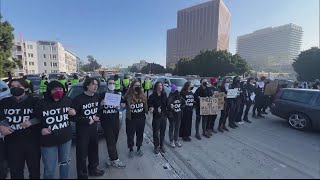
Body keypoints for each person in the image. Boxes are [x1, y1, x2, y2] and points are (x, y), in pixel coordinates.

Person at [0, 79, 41, 179]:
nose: (15, 88)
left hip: (32, 141)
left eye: (18, 86)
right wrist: (1, 127)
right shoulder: (4, 102)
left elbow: (42, 117)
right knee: (15, 172)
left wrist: (31, 122)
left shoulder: (35, 100)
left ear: (26, 88)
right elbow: (1, 118)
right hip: (12, 142)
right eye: (13, 87)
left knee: (34, 171)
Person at [35, 81, 75, 179]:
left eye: (61, 89)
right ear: (49, 91)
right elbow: (35, 120)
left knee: (65, 163)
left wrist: (73, 113)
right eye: (55, 89)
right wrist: (40, 130)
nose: (58, 91)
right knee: (49, 169)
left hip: (65, 138)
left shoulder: (68, 100)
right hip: (48, 141)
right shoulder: (41, 103)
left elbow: (71, 118)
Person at [71, 78, 105, 179]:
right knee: (82, 153)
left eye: (97, 85)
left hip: (94, 128)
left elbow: (99, 109)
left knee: (94, 150)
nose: (96, 86)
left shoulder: (97, 97)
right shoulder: (78, 99)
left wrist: (98, 116)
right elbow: (72, 117)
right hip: (82, 130)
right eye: (93, 84)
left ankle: (93, 169)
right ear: (87, 86)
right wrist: (86, 120)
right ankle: (82, 175)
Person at [99, 78, 126, 168]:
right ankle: (115, 159)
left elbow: (123, 106)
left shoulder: (117, 95)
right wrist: (101, 104)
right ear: (107, 84)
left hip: (115, 121)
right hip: (106, 121)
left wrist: (120, 107)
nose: (112, 85)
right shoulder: (101, 95)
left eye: (113, 83)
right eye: (110, 83)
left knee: (114, 140)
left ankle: (110, 158)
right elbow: (96, 108)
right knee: (110, 140)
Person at [123, 80, 148, 159]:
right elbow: (122, 104)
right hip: (131, 119)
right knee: (130, 135)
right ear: (132, 86)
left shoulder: (143, 95)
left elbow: (146, 104)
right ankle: (131, 149)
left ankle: (139, 148)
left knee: (140, 134)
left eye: (138, 85)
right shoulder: (127, 96)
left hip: (141, 118)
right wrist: (122, 104)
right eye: (135, 85)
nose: (137, 87)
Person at [148, 81, 168, 154]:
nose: (160, 87)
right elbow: (149, 105)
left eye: (161, 85)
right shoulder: (152, 96)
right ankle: (156, 146)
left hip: (163, 116)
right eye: (159, 85)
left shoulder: (164, 94)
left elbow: (166, 104)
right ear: (156, 87)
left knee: (162, 131)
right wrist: (152, 108)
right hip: (156, 116)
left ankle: (162, 145)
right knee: (156, 132)